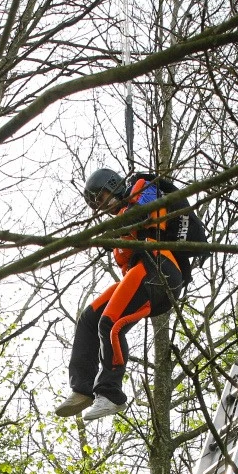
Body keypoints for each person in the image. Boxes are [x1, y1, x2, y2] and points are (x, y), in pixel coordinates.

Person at [56, 168, 186, 422]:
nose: (101, 205)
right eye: (95, 203)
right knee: (89, 318)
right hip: (142, 270)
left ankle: (111, 393)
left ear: (113, 185)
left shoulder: (142, 189)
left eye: (101, 197)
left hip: (161, 269)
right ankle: (82, 388)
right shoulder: (118, 223)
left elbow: (146, 215)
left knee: (111, 323)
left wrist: (119, 226)